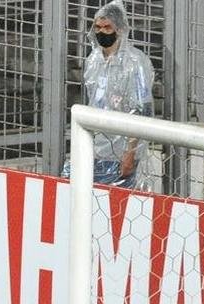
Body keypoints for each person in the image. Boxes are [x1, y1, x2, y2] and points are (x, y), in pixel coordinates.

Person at [67, 0, 155, 189]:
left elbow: (142, 110)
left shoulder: (135, 62)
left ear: (120, 29)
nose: (101, 32)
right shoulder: (93, 61)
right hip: (94, 148)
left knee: (115, 204)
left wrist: (130, 153)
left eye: (107, 27)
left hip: (120, 153)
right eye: (97, 27)